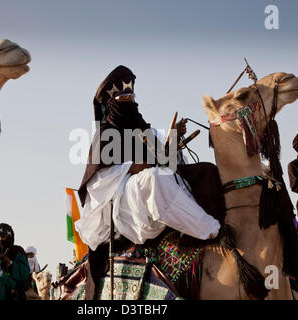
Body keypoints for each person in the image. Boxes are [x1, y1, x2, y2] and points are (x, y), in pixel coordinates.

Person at [76, 65, 225, 299]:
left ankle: (213, 223)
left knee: (206, 171)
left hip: (155, 194)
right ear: (110, 102)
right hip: (123, 207)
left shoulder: (148, 132)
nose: (129, 101)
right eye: (123, 97)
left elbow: (168, 163)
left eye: (131, 96)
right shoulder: (105, 135)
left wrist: (174, 140)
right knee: (155, 179)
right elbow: (96, 186)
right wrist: (132, 167)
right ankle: (209, 230)